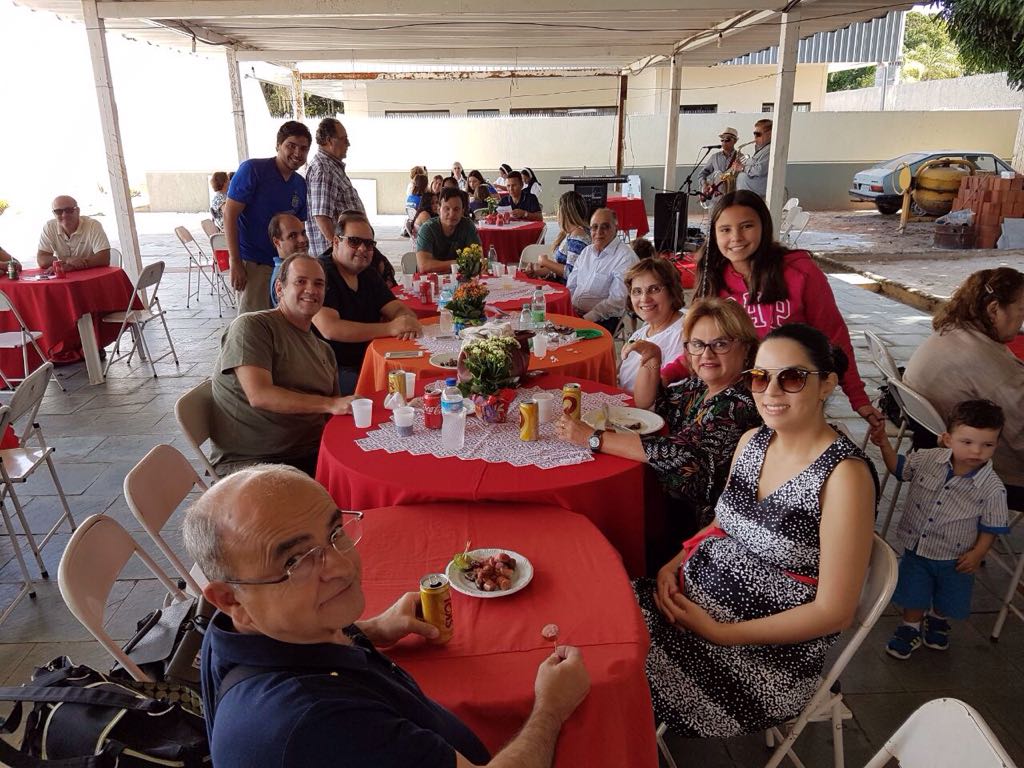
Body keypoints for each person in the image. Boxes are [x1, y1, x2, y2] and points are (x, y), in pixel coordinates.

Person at [183, 465, 591, 768]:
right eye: (295, 561)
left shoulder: (234, 633)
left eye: (335, 533)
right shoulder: (318, 725)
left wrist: (371, 630)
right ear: (230, 599)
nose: (341, 566)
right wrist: (551, 708)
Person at [636, 323, 877, 738]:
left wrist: (720, 633)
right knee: (591, 624)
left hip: (757, 661)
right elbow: (722, 523)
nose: (771, 392)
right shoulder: (753, 441)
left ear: (827, 384)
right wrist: (672, 566)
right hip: (688, 610)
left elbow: (834, 612)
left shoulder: (844, 477)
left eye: (792, 377)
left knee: (606, 677)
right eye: (760, 377)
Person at [559, 298, 761, 544]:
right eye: (697, 344)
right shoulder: (701, 387)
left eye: (721, 344)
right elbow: (650, 403)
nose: (707, 354)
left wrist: (593, 438)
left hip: (701, 526)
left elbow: (678, 453)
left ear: (746, 349)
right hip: (670, 503)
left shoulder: (738, 404)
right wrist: (653, 359)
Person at [684, 190, 881, 428]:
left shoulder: (800, 272)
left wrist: (858, 398)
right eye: (725, 229)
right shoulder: (713, 277)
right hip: (739, 394)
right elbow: (699, 342)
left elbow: (835, 335)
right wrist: (664, 372)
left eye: (747, 226)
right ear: (714, 235)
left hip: (792, 389)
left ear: (764, 227)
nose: (736, 237)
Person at [871, 400, 1009, 659]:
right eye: (967, 442)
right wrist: (884, 445)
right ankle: (910, 628)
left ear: (996, 445)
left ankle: (937, 620)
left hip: (956, 557)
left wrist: (979, 553)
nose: (977, 451)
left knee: (949, 595)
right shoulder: (927, 459)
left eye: (987, 445)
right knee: (913, 592)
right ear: (947, 439)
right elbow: (899, 468)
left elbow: (991, 525)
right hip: (917, 547)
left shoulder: (992, 487)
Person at [209, 254, 353, 477]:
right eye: (300, 281)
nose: (311, 290)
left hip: (312, 452)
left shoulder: (324, 350)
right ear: (279, 288)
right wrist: (330, 404)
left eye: (318, 284)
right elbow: (260, 395)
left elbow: (332, 415)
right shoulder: (252, 327)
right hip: (255, 464)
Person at [902, 267, 1024, 509]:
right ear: (994, 310)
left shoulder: (952, 332)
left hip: (942, 451)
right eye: (1021, 310)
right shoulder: (988, 363)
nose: (1022, 320)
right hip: (984, 474)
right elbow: (1020, 438)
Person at [313, 212, 422, 395]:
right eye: (354, 241)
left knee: (416, 385)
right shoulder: (320, 273)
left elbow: (398, 309)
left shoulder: (368, 273)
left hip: (371, 359)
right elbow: (330, 329)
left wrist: (405, 321)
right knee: (393, 393)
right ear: (336, 242)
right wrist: (390, 328)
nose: (363, 248)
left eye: (369, 244)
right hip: (332, 368)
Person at [223, 121, 311, 314]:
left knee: (286, 319)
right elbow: (229, 214)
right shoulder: (253, 170)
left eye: (304, 148)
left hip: (285, 266)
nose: (297, 153)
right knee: (254, 321)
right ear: (278, 145)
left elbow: (299, 226)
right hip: (254, 264)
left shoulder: (299, 183)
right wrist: (235, 261)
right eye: (291, 146)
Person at [616, 258, 686, 393]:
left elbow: (671, 395)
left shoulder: (682, 335)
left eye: (654, 289)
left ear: (672, 292)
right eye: (637, 291)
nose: (644, 299)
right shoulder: (643, 331)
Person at [566, 208, 638, 332]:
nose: (599, 232)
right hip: (575, 314)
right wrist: (568, 311)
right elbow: (571, 286)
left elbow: (617, 301)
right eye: (594, 227)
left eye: (605, 227)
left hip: (603, 319)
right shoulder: (587, 252)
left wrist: (586, 319)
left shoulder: (625, 257)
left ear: (616, 229)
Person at [305, 118, 365, 258]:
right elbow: (322, 216)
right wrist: (338, 249)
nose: (348, 144)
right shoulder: (324, 169)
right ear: (329, 141)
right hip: (336, 257)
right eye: (344, 139)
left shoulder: (330, 166)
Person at [36, 195, 111, 271]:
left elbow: (104, 258)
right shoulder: (49, 227)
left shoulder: (92, 225)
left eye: (69, 210)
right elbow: (42, 260)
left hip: (92, 275)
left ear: (78, 211)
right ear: (54, 214)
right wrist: (67, 260)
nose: (64, 215)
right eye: (58, 212)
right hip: (65, 276)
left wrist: (71, 267)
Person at [416, 188, 480, 274]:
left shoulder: (468, 226)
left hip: (462, 279)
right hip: (432, 279)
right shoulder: (428, 229)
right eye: (447, 208)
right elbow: (424, 266)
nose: (452, 214)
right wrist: (458, 263)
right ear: (439, 210)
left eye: (456, 209)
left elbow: (478, 260)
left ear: (462, 211)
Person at [531, 191, 590, 282]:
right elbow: (562, 268)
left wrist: (545, 262)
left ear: (564, 213)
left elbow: (571, 273)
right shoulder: (573, 233)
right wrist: (537, 271)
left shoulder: (577, 237)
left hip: (567, 289)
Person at [267, 213, 311, 309]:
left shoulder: (301, 267)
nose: (302, 239)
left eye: (303, 233)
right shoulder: (283, 276)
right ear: (277, 242)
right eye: (293, 236)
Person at [697, 126, 744, 202]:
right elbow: (702, 174)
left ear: (735, 141)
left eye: (727, 139)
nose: (724, 142)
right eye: (722, 140)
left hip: (732, 197)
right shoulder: (714, 157)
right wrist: (704, 184)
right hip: (716, 198)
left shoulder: (740, 158)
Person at [735, 118, 772, 198]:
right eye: (754, 134)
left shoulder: (769, 150)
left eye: (758, 134)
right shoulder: (762, 149)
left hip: (757, 196)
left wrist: (742, 168)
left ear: (769, 134)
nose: (755, 137)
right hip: (749, 195)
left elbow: (759, 170)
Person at [403, 174, 429, 238]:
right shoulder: (423, 199)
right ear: (425, 185)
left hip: (413, 226)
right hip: (421, 227)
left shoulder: (410, 197)